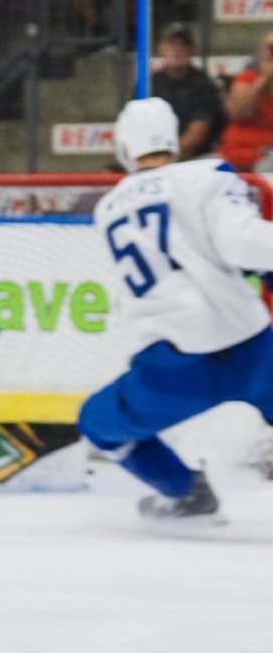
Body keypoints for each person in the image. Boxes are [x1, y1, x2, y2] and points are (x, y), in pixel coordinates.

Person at [79, 97, 273, 520]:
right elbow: (245, 244)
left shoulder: (108, 208)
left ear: (125, 149)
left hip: (170, 365)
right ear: (174, 139)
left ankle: (185, 491)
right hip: (250, 346)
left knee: (98, 424)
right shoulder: (208, 176)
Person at [150, 27, 226, 160]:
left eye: (183, 44)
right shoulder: (150, 83)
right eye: (171, 44)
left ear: (192, 50)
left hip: (197, 158)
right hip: (153, 156)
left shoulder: (204, 85)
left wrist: (163, 160)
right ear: (160, 48)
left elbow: (196, 136)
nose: (177, 49)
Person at [218, 31, 273, 172]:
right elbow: (238, 112)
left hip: (267, 155)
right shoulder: (247, 78)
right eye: (270, 49)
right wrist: (262, 82)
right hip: (236, 152)